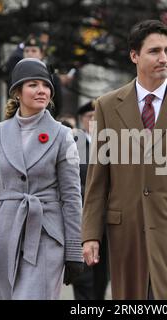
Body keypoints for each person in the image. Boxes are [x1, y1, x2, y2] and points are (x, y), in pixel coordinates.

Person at [81, 20, 167, 299]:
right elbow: (98, 177)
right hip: (126, 232)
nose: (164, 58)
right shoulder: (107, 106)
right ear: (134, 56)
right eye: (155, 51)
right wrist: (90, 234)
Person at [0, 58, 84, 299]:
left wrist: (74, 252)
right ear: (17, 92)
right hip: (4, 238)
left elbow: (72, 197)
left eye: (46, 85)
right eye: (33, 85)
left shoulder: (63, 135)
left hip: (45, 236)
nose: (42, 90)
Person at [72, 101, 109, 300]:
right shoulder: (74, 142)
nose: (94, 121)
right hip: (84, 216)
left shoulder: (110, 143)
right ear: (82, 119)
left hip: (108, 219)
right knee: (84, 276)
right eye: (90, 117)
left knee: (103, 273)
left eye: (98, 117)